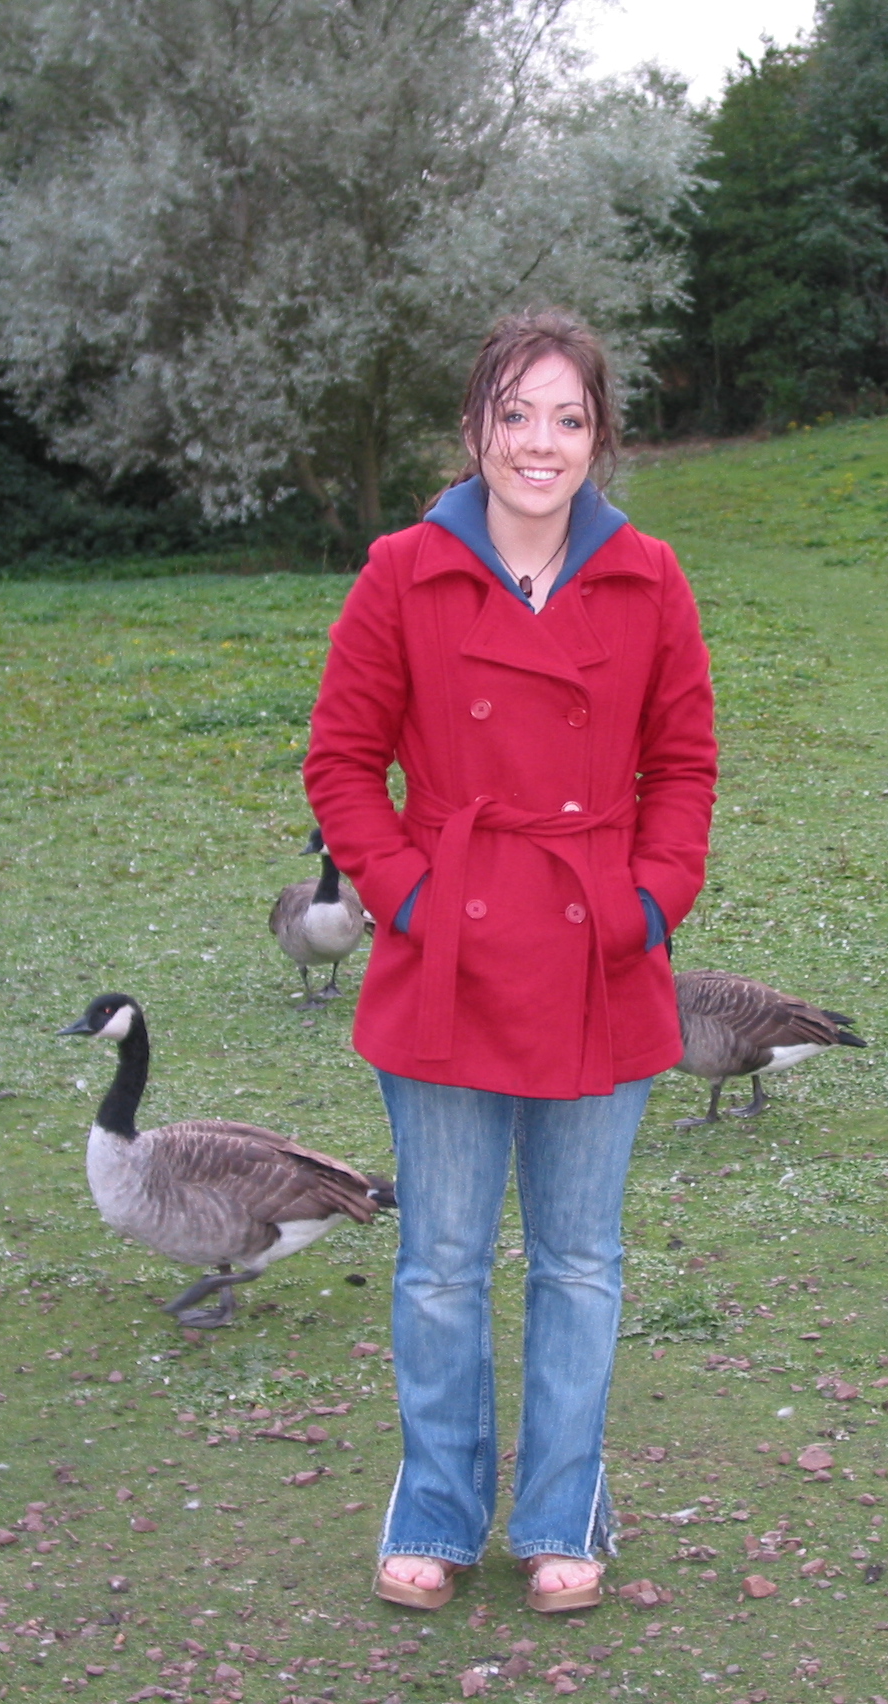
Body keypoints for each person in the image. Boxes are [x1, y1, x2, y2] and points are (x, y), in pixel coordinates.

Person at [304, 310, 717, 1614]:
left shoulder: (650, 578)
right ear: (474, 428)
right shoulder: (400, 572)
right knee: (438, 1262)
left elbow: (686, 767)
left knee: (582, 1262)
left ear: (600, 437)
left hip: (598, 955)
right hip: (448, 956)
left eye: (569, 417)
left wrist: (648, 907)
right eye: (516, 413)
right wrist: (412, 896)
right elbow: (339, 763)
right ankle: (434, 1506)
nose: (542, 443)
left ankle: (560, 1515)